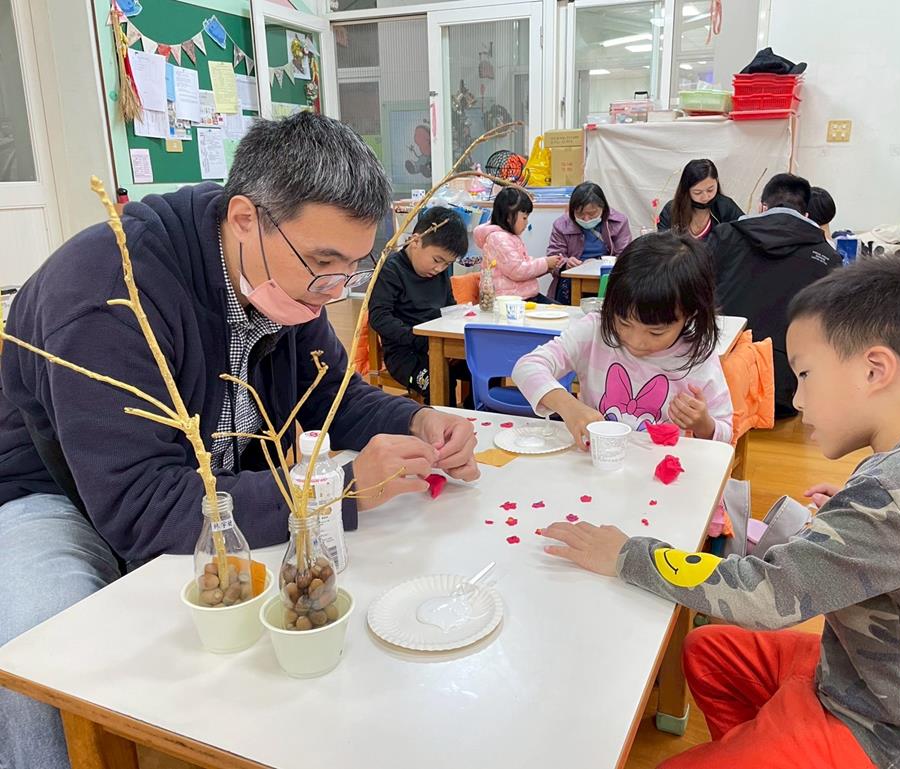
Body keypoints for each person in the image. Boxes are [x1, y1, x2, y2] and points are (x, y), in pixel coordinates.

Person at [0, 112, 479, 769]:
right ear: (246, 218)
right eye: (323, 263)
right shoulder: (108, 294)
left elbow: (332, 396)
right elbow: (140, 506)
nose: (333, 290)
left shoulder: (284, 281)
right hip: (54, 492)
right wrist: (333, 491)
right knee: (43, 653)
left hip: (199, 485)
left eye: (352, 267)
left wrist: (415, 419)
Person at [541, 257, 900, 769]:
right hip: (884, 683)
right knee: (709, 651)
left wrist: (627, 555)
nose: (800, 399)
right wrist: (853, 516)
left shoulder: (892, 498)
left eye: (805, 375)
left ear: (874, 370)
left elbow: (764, 596)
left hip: (895, 737)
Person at [513, 231, 732, 448]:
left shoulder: (697, 356)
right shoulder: (595, 330)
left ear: (690, 315)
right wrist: (568, 406)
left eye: (655, 332)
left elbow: (726, 434)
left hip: (660, 466)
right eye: (624, 323)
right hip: (595, 462)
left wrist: (703, 424)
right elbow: (527, 366)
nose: (635, 341)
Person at [709, 172, 840, 419]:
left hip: (721, 380)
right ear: (806, 215)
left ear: (762, 207)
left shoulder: (724, 236)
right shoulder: (827, 257)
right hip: (783, 391)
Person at [369, 205, 471, 402]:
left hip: (438, 346)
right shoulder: (391, 270)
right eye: (437, 260)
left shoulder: (439, 273)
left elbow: (449, 308)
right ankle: (442, 421)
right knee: (439, 381)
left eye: (447, 264)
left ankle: (475, 416)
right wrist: (422, 341)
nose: (440, 268)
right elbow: (379, 317)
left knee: (484, 369)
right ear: (416, 241)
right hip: (405, 354)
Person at [546, 182, 632, 304]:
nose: (586, 219)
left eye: (592, 214)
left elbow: (625, 256)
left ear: (603, 208)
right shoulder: (561, 225)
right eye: (580, 214)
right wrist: (566, 263)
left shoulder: (618, 222)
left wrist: (607, 264)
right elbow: (553, 257)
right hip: (574, 277)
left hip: (608, 275)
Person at [474, 186, 559, 303]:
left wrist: (546, 267)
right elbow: (517, 270)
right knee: (559, 310)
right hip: (510, 301)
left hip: (522, 296)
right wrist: (545, 263)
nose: (527, 222)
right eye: (524, 218)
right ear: (509, 216)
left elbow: (522, 265)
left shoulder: (508, 237)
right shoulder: (499, 239)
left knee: (559, 308)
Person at [657, 159, 744, 240]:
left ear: (717, 182)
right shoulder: (671, 210)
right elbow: (662, 244)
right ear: (686, 190)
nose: (705, 197)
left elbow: (745, 231)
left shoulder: (725, 206)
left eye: (710, 190)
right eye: (697, 192)